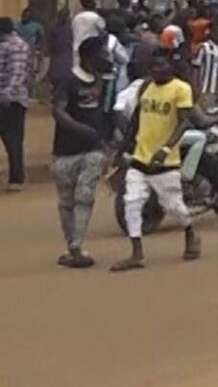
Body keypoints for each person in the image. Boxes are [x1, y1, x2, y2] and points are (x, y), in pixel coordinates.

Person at [113, 53, 205, 271]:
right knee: (131, 203)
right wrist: (123, 149)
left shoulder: (181, 89)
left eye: (160, 66)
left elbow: (184, 122)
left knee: (173, 206)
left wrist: (165, 149)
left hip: (165, 161)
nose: (156, 70)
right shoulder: (145, 87)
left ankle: (190, 231)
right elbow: (137, 119)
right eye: (152, 67)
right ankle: (136, 253)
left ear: (170, 66)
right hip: (140, 157)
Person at [52, 36, 116, 267]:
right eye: (102, 53)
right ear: (89, 56)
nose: (106, 57)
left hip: (92, 150)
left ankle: (77, 245)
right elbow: (58, 112)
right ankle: (72, 246)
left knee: (85, 197)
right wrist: (82, 129)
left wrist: (106, 142)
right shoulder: (68, 80)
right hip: (65, 151)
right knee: (66, 202)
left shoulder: (103, 80)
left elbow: (106, 115)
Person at [0, 17, 31, 189]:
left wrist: (6, 95)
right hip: (11, 98)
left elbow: (17, 74)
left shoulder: (14, 46)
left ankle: (16, 178)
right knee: (14, 140)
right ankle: (16, 178)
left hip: (10, 101)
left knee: (13, 140)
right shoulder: (15, 44)